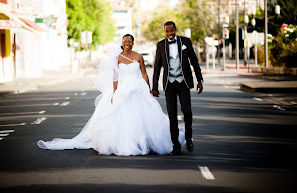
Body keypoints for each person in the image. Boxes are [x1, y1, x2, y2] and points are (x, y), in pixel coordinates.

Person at [37, 34, 184, 156]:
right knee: (119, 117)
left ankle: (144, 141)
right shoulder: (117, 58)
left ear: (133, 43)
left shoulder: (139, 57)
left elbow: (144, 74)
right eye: (125, 41)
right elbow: (115, 78)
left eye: (130, 41)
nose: (127, 43)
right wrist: (115, 94)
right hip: (123, 90)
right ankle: (125, 143)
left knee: (145, 116)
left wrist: (149, 89)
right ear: (122, 43)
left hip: (138, 88)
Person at [151, 21, 203, 156]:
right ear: (165, 32)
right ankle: (176, 146)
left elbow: (194, 61)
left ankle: (189, 138)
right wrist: (155, 87)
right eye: (167, 31)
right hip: (169, 85)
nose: (169, 33)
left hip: (183, 82)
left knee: (187, 111)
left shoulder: (185, 42)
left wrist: (199, 80)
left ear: (175, 30)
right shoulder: (161, 45)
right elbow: (157, 67)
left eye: (171, 30)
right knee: (172, 115)